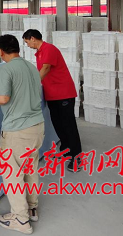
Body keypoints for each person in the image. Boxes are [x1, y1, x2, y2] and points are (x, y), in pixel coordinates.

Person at [0, 34, 45, 234]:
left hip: (17, 131)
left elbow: (3, 98)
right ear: (18, 48)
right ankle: (32, 208)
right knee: (30, 168)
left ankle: (20, 219)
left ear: (0, 51)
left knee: (12, 175)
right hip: (37, 127)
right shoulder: (31, 67)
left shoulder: (6, 69)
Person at [22, 29, 82, 173]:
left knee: (68, 125)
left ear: (33, 38)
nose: (27, 45)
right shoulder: (39, 53)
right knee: (58, 124)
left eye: (27, 42)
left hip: (63, 93)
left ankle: (77, 157)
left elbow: (46, 68)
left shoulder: (49, 49)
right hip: (52, 95)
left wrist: (32, 85)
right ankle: (66, 150)